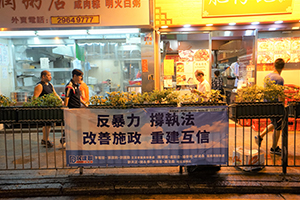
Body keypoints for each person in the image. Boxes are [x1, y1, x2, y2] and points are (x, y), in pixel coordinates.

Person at [255, 58, 285, 155]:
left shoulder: (267, 76)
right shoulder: (280, 79)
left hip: (267, 104)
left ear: (273, 65)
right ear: (283, 67)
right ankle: (274, 148)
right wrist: (283, 106)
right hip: (275, 105)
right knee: (278, 125)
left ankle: (260, 136)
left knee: (274, 123)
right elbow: (280, 95)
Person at [33, 70, 63, 148]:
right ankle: (46, 140)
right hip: (44, 109)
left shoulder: (50, 85)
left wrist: (62, 101)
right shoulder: (39, 86)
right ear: (43, 76)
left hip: (49, 109)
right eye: (49, 75)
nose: (51, 77)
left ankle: (45, 139)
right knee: (47, 125)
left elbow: (55, 94)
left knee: (48, 125)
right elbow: (35, 98)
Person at [60, 69, 88, 147]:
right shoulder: (70, 86)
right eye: (80, 76)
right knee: (69, 125)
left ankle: (74, 140)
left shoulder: (76, 85)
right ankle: (63, 140)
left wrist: (84, 104)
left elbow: (78, 97)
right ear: (75, 76)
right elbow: (67, 97)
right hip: (71, 109)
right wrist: (65, 108)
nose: (81, 78)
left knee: (76, 125)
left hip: (77, 109)